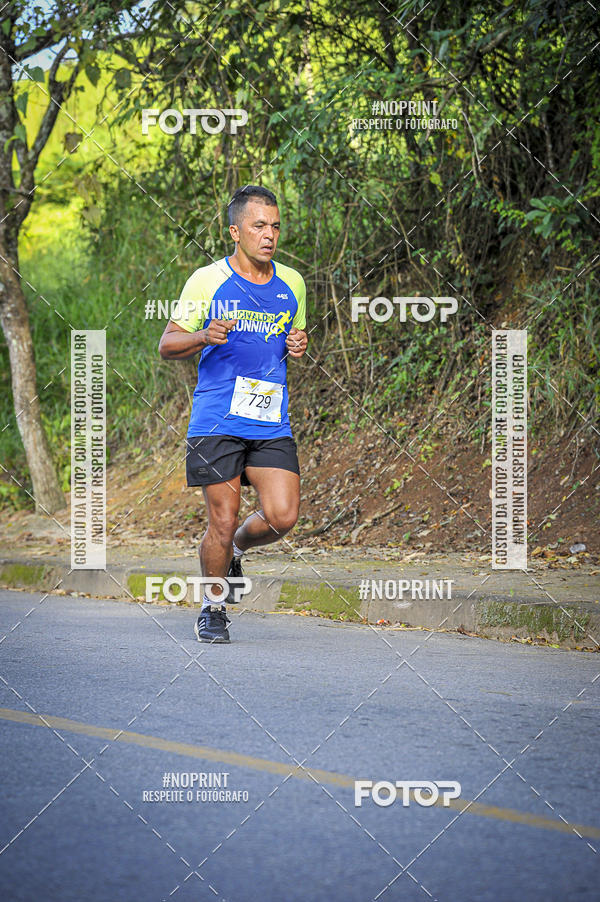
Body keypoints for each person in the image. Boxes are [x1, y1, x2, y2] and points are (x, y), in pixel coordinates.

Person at [158, 185, 308, 643]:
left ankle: (238, 549)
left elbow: (292, 339)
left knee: (282, 516)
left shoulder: (293, 283)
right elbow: (167, 345)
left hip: (268, 418)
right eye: (259, 226)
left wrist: (298, 344)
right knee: (220, 521)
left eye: (275, 226)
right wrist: (204, 335)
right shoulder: (207, 280)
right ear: (235, 231)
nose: (269, 235)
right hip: (217, 419)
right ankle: (213, 607)